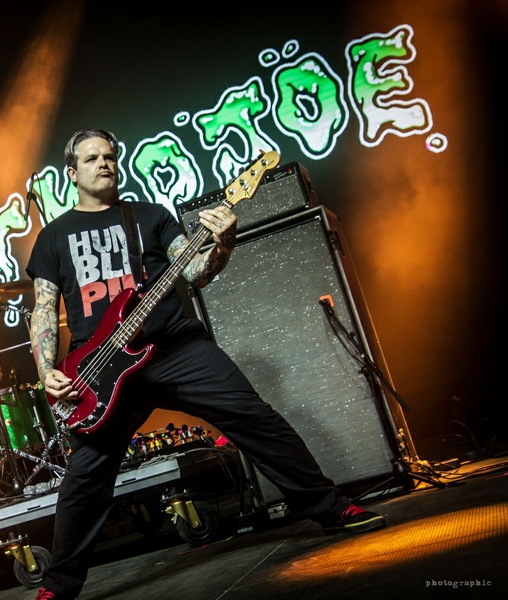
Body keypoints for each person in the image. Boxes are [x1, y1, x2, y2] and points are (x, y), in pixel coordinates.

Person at [25, 129, 386, 600]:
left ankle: (331, 508)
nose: (104, 163)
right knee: (86, 475)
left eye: (110, 155)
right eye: (92, 159)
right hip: (102, 367)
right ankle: (59, 584)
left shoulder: (150, 216)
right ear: (72, 173)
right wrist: (46, 370)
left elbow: (195, 272)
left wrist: (224, 243)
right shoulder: (54, 237)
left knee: (254, 418)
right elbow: (43, 309)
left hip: (175, 346)